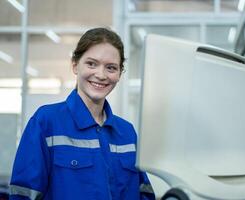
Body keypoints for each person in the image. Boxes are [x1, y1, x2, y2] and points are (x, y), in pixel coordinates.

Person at [9, 27, 155, 200]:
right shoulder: (46, 122)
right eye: (91, 64)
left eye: (111, 67)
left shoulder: (127, 133)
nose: (101, 75)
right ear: (75, 65)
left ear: (119, 73)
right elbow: (24, 195)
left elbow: (143, 194)